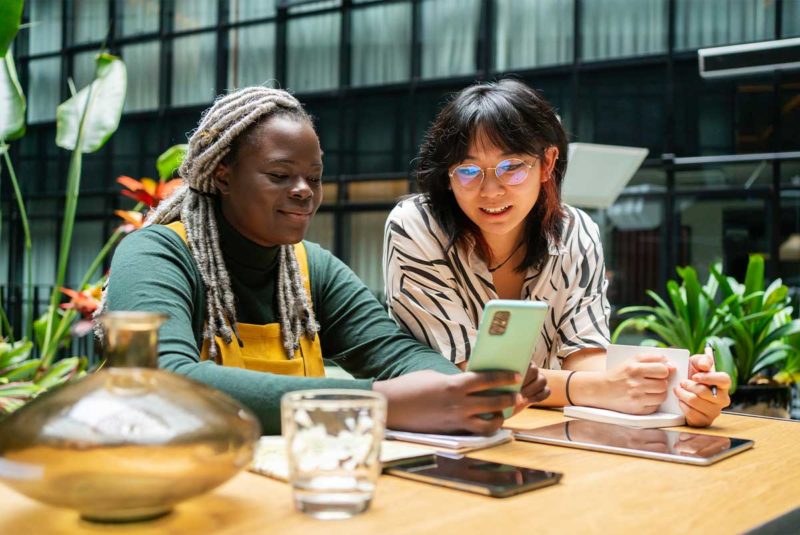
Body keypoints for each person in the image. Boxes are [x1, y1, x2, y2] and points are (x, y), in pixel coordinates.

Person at [104, 86, 549, 435]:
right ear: (223, 175)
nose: (303, 191)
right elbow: (162, 380)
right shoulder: (156, 254)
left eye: (313, 178)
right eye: (279, 176)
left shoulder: (310, 267)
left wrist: (468, 390)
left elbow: (392, 353)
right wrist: (378, 402)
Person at [383, 79, 731, 427]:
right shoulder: (416, 227)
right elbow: (475, 381)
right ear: (447, 176)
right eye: (469, 171)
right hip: (440, 439)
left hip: (544, 437)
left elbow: (585, 359)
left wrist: (675, 385)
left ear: (547, 163)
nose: (491, 190)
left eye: (512, 167)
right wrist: (602, 387)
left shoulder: (577, 232)